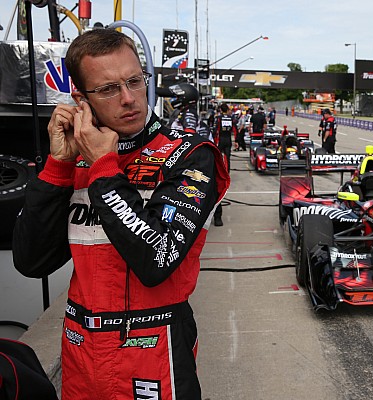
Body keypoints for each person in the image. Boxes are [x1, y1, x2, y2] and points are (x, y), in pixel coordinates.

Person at [12, 29, 229, 399]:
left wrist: (104, 170)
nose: (129, 99)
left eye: (134, 81)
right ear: (80, 100)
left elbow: (156, 259)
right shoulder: (76, 162)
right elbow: (32, 262)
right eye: (109, 89)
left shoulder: (191, 155)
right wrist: (58, 168)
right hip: (80, 350)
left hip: (154, 348)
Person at [213, 103, 237, 226]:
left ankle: (220, 172)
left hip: (220, 140)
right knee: (228, 157)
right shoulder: (231, 118)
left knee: (218, 158)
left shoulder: (218, 118)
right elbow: (234, 130)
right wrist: (236, 141)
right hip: (227, 140)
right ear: (226, 110)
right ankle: (226, 173)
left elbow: (216, 130)